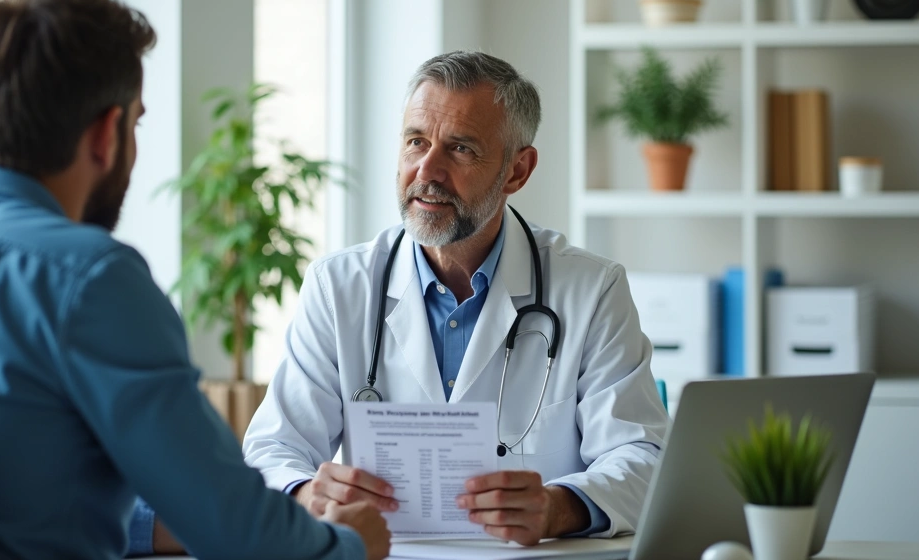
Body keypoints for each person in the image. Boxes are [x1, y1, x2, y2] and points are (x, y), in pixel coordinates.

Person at [0, 0, 389, 560]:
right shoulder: (88, 280)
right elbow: (240, 536)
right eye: (136, 123)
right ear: (107, 134)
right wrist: (349, 544)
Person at [242, 51, 670, 546]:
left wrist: (559, 507)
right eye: (416, 142)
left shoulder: (591, 289)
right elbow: (272, 449)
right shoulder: (340, 286)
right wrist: (305, 495)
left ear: (517, 171)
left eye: (461, 149)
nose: (428, 169)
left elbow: (643, 458)